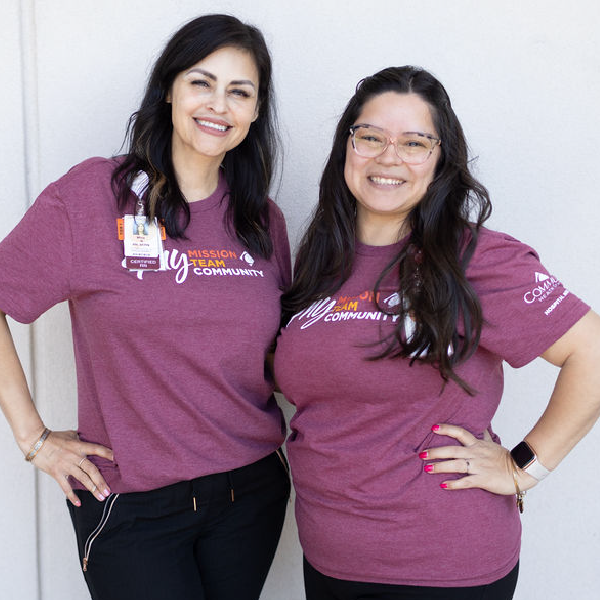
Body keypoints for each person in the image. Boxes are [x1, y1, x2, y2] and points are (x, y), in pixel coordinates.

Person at [274, 66, 600, 599]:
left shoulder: (473, 258)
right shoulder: (322, 261)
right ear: (347, 148)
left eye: (414, 143)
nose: (388, 157)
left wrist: (523, 468)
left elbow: (593, 350)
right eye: (370, 137)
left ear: (441, 159)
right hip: (331, 558)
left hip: (444, 566)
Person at [0, 14, 291, 600]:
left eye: (240, 92)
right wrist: (33, 437)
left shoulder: (262, 220)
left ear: (256, 112)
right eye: (201, 83)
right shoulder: (92, 196)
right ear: (168, 90)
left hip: (249, 494)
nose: (219, 105)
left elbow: (285, 355)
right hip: (133, 504)